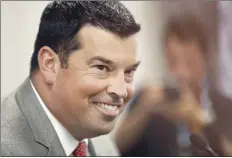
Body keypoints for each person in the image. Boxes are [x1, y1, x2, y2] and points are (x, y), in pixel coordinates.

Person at [1, 1, 141, 156]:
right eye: (101, 68)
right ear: (50, 64)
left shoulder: (98, 140)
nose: (121, 91)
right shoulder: (6, 146)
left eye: (129, 72)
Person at [115, 14, 229, 156]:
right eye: (174, 61)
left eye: (189, 62)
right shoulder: (152, 98)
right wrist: (143, 110)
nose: (181, 72)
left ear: (206, 57)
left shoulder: (225, 106)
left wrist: (200, 122)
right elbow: (116, 148)